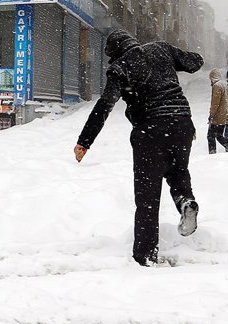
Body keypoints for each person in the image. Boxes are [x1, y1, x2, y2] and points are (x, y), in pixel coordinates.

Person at [74, 29, 203, 267]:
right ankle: (186, 202)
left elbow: (105, 105)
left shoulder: (120, 67)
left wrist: (85, 141)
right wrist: (176, 61)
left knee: (147, 197)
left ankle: (145, 255)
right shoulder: (161, 48)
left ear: (113, 52)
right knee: (177, 172)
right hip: (182, 123)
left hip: (151, 130)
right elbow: (195, 62)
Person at [207, 68, 228, 154]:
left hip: (217, 116)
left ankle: (212, 153)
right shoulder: (225, 84)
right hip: (224, 115)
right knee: (219, 136)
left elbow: (215, 103)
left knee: (210, 136)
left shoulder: (217, 86)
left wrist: (211, 115)